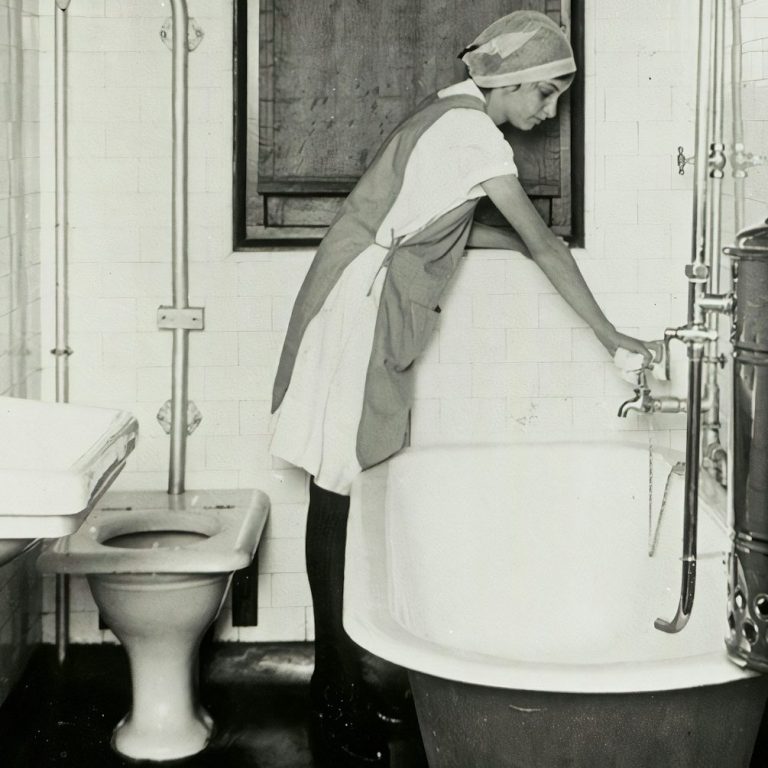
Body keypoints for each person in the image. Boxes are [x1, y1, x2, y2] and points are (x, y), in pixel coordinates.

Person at [270, 10, 656, 765]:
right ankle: (334, 695)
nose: (549, 111)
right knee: (337, 493)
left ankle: (348, 682)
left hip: (353, 299)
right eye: (544, 92)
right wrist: (613, 335)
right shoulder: (474, 135)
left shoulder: (448, 113)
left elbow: (439, 218)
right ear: (508, 82)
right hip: (359, 315)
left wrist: (518, 245)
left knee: (344, 489)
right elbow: (543, 243)